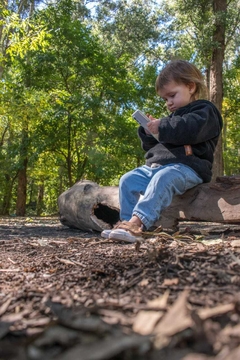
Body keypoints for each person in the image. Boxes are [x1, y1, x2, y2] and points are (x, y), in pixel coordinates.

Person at [101, 59, 223, 243]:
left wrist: (163, 125)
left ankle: (137, 224)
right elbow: (153, 147)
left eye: (172, 95)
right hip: (157, 167)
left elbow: (190, 128)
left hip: (187, 168)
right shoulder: (171, 120)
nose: (169, 103)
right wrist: (149, 131)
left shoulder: (205, 111)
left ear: (190, 87)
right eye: (165, 99)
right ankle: (125, 223)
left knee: (163, 178)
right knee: (127, 180)